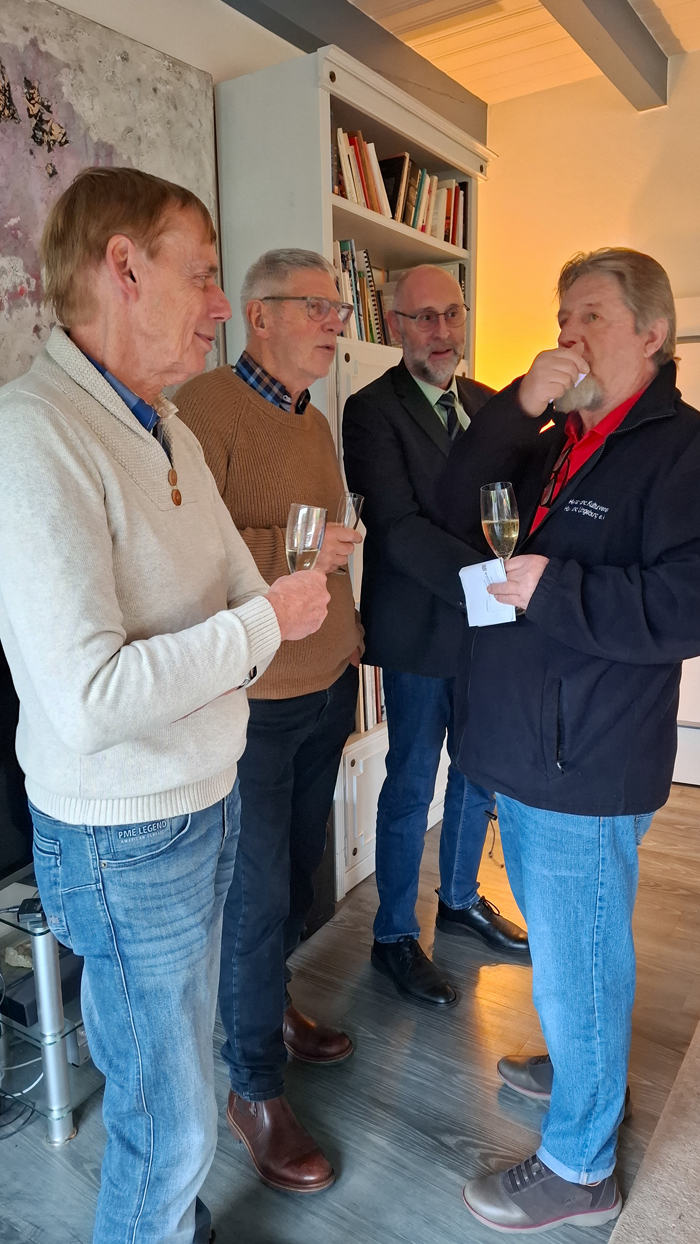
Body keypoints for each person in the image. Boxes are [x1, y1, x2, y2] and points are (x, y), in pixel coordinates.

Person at [0, 168, 329, 1244]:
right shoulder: (33, 435)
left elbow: (241, 587)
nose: (222, 304)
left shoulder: (168, 428)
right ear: (124, 268)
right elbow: (92, 697)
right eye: (203, 274)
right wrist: (263, 622)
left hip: (204, 793)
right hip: (125, 832)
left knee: (170, 1081)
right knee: (170, 1120)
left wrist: (259, 615)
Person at [440, 248, 700, 1234]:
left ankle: (580, 1169)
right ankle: (585, 1066)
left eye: (590, 315)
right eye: (561, 317)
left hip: (584, 754)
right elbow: (457, 496)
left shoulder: (682, 449)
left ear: (652, 333)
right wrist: (516, 405)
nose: (568, 334)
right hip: (529, 740)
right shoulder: (556, 437)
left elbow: (684, 604)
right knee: (572, 944)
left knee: (577, 953)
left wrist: (559, 588)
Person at [176, 249, 363, 1194]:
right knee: (253, 904)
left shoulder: (315, 419)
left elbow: (317, 556)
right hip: (254, 703)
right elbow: (192, 555)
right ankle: (252, 1088)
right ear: (259, 316)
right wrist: (304, 543)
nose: (336, 323)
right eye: (317, 307)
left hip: (326, 684)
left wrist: (347, 624)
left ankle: (273, 1009)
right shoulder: (203, 410)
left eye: (338, 310)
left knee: (295, 880)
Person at [342, 264, 530, 1010]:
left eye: (452, 314)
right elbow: (397, 527)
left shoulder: (487, 404)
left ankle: (457, 899)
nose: (442, 331)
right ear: (395, 326)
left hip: (485, 634)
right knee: (413, 782)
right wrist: (493, 583)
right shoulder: (369, 410)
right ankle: (393, 935)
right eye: (423, 318)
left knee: (478, 774)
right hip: (421, 631)